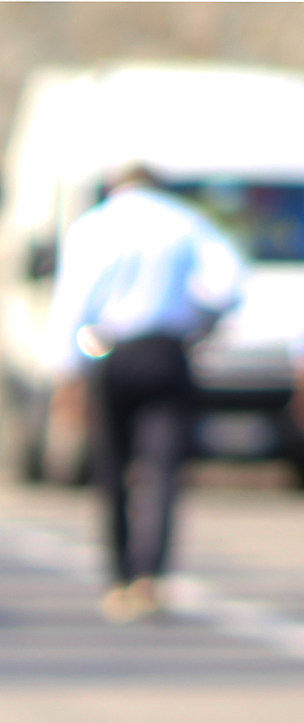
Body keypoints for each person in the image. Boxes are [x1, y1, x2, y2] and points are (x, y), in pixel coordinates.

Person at [47, 163, 245, 622]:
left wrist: (65, 374)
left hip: (110, 352)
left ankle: (118, 576)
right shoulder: (184, 221)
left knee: (112, 467)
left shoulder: (95, 226)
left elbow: (72, 302)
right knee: (162, 470)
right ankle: (150, 575)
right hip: (166, 351)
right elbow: (229, 282)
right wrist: (201, 321)